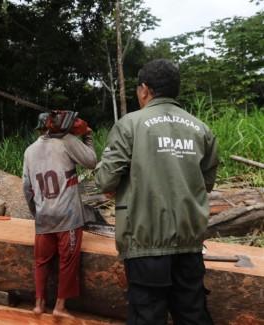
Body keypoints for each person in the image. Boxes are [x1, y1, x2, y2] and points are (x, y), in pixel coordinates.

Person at [95, 59, 218, 325]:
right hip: (189, 243)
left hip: (145, 243)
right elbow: (206, 184)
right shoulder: (201, 129)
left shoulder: (130, 125)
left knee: (147, 315)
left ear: (144, 90)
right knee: (193, 313)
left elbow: (105, 180)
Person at [22, 113, 97, 317]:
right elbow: (91, 161)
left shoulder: (29, 151)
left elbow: (27, 188)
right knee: (67, 261)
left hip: (44, 217)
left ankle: (39, 304)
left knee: (41, 261)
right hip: (68, 217)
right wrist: (88, 136)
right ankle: (60, 307)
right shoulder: (67, 141)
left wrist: (36, 213)